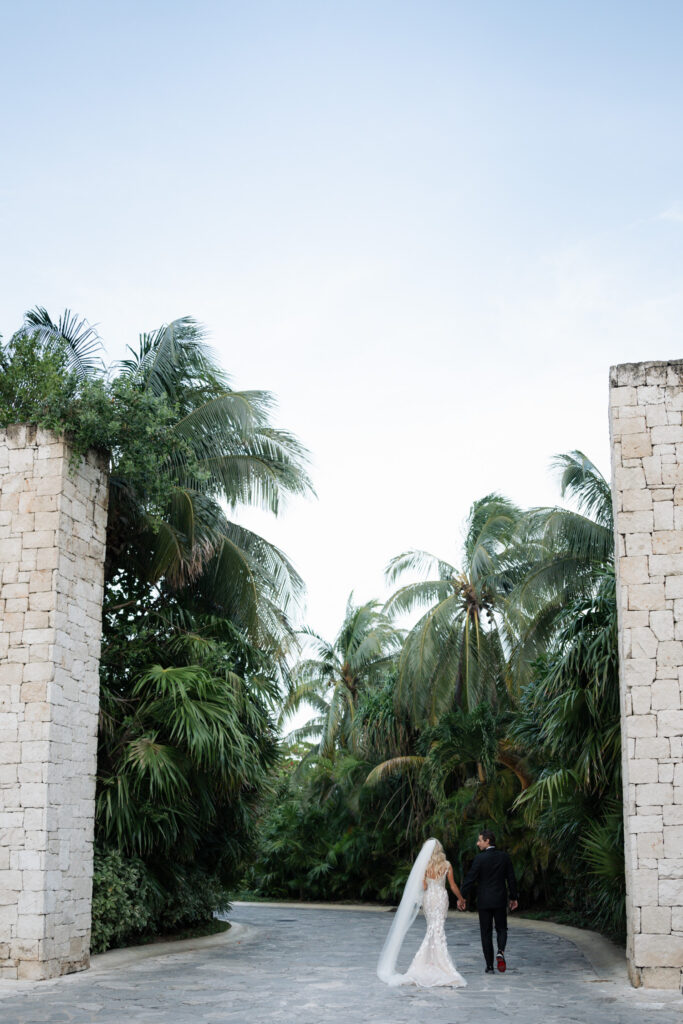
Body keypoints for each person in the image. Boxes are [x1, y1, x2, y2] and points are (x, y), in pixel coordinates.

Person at [377, 838, 467, 988]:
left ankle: (429, 961)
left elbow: (423, 886)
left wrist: (428, 882)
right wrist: (461, 899)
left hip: (429, 898)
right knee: (438, 928)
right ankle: (440, 962)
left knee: (432, 928)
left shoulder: (425, 866)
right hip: (440, 897)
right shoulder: (447, 865)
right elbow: (452, 885)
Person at [460, 829, 518, 974]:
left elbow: (470, 879)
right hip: (499, 900)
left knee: (485, 933)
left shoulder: (479, 859)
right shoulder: (504, 857)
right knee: (502, 929)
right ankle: (501, 952)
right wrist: (514, 897)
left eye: (480, 840)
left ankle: (490, 966)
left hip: (484, 901)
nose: (477, 843)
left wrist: (462, 896)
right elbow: (511, 878)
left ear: (487, 841)